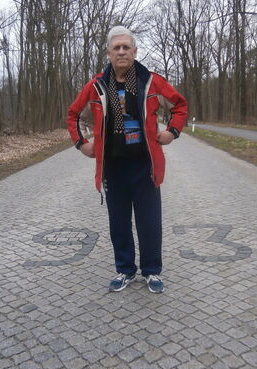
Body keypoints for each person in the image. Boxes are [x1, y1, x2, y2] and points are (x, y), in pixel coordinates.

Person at [67, 26, 187, 293]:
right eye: (116, 48)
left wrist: (172, 132)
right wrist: (81, 144)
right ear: (108, 53)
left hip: (145, 165)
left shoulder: (152, 82)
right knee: (119, 223)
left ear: (135, 51)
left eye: (126, 47)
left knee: (149, 222)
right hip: (113, 165)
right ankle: (125, 270)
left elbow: (180, 105)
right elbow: (73, 114)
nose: (121, 52)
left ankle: (152, 271)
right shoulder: (96, 85)